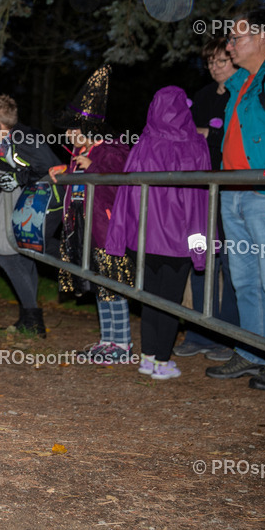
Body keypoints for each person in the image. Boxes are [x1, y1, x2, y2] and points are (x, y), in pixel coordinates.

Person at [204, 10, 265, 390]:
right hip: (233, 193)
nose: (231, 44)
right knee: (245, 281)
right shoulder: (242, 82)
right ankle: (253, 351)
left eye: (237, 37)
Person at [106, 86, 210, 380]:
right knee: (170, 300)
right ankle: (161, 360)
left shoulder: (144, 143)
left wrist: (120, 235)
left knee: (149, 298)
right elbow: (201, 200)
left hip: (144, 238)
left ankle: (149, 356)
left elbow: (126, 194)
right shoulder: (196, 145)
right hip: (180, 239)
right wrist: (200, 248)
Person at [50, 65, 133, 360]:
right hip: (85, 228)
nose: (70, 134)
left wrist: (93, 168)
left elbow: (120, 180)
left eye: (75, 129)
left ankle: (122, 344)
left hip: (107, 230)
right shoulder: (78, 154)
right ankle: (106, 340)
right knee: (99, 285)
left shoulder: (111, 148)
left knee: (113, 285)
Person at [174, 38, 238, 361]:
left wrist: (208, 134)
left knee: (231, 263)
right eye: (210, 62)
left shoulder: (244, 94)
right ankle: (200, 332)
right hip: (201, 192)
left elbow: (231, 138)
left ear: (235, 60)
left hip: (230, 189)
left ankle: (229, 336)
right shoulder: (199, 97)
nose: (215, 67)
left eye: (221, 61)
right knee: (201, 259)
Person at [0, 95, 59, 337]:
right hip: (37, 198)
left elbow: (46, 166)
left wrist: (18, 178)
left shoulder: (23, 138)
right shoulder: (11, 139)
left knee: (13, 256)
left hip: (49, 201)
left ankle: (33, 317)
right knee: (20, 256)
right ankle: (29, 318)